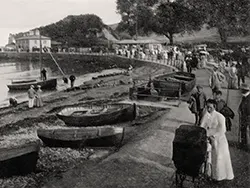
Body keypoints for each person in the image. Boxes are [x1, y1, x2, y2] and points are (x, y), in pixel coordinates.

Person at [200, 99, 234, 181]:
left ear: (214, 107)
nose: (208, 109)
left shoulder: (220, 117)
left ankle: (219, 176)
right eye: (207, 107)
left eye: (210, 107)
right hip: (209, 138)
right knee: (208, 156)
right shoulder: (206, 115)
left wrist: (213, 136)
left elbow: (222, 130)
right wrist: (204, 134)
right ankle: (209, 174)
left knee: (219, 157)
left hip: (219, 139)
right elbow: (202, 126)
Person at [238, 83, 250, 150]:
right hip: (244, 116)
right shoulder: (244, 97)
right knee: (243, 130)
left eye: (241, 90)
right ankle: (243, 144)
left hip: (248, 117)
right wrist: (240, 108)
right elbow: (242, 104)